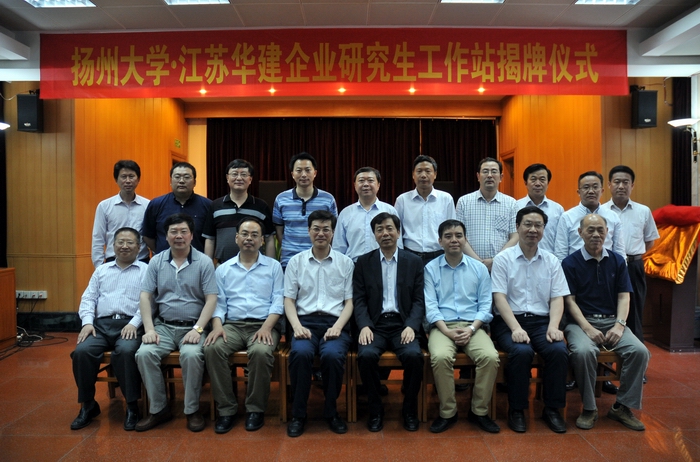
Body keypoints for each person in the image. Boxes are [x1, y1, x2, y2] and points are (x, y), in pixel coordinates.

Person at [562, 214, 650, 431]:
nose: (596, 234)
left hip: (612, 321)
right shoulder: (570, 263)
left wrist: (620, 325)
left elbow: (624, 297)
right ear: (580, 233)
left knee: (640, 351)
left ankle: (622, 407)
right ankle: (589, 408)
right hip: (580, 323)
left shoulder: (618, 261)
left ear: (607, 232)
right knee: (583, 352)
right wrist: (587, 328)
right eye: (590, 230)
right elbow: (569, 301)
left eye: (600, 229)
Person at [134, 213, 217, 432]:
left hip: (194, 326)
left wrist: (198, 329)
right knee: (144, 354)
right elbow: (145, 296)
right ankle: (159, 409)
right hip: (164, 326)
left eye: (183, 232)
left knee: (191, 355)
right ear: (166, 235)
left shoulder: (204, 262)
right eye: (173, 232)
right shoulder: (156, 261)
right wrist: (149, 329)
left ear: (191, 235)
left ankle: (192, 410)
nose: (178, 236)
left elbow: (211, 299)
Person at [490, 206, 569, 434]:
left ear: (543, 229)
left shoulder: (552, 261)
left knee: (558, 350)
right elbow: (499, 297)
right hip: (509, 322)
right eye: (528, 224)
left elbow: (557, 297)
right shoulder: (503, 259)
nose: (533, 229)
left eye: (538, 225)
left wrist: (554, 326)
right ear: (517, 227)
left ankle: (552, 409)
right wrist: (515, 328)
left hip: (542, 321)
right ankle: (517, 409)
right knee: (521, 351)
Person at [203, 216, 284, 434]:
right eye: (245, 234)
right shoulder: (223, 269)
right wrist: (217, 326)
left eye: (254, 235)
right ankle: (226, 409)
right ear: (236, 238)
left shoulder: (274, 267)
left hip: (264, 324)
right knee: (212, 348)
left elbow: (278, 301)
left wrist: (267, 328)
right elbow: (218, 303)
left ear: (262, 240)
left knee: (260, 351)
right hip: (232, 325)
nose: (249, 238)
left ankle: (255, 409)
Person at [424, 219, 500, 434]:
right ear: (440, 241)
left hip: (472, 325)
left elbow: (485, 305)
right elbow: (430, 306)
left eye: (458, 235)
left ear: (466, 239)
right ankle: (448, 412)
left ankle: (479, 412)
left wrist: (472, 329)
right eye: (448, 236)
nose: (454, 240)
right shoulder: (430, 268)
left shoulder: (479, 269)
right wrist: (446, 331)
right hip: (442, 326)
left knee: (490, 357)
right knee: (440, 357)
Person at [284, 210, 354, 437]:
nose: (321, 233)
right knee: (300, 354)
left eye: (326, 229)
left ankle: (331, 412)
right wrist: (296, 326)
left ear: (333, 233)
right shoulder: (296, 262)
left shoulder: (345, 263)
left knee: (332, 356)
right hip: (304, 322)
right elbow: (289, 300)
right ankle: (299, 414)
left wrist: (338, 327)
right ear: (309, 231)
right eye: (316, 229)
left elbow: (350, 302)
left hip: (335, 322)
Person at [71, 227, 148, 431]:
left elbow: (149, 302)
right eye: (120, 242)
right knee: (82, 352)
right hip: (101, 325)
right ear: (112, 246)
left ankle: (132, 406)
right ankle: (88, 405)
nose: (124, 246)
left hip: (131, 324)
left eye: (130, 242)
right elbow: (88, 298)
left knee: (126, 351)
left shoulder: (146, 270)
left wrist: (134, 323)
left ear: (139, 247)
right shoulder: (102, 270)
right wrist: (87, 322)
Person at [353, 212, 424, 432]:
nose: (385, 233)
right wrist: (364, 325)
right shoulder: (364, 262)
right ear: (374, 235)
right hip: (375, 325)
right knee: (366, 355)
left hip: (403, 324)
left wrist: (411, 325)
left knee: (414, 356)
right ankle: (376, 410)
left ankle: (409, 410)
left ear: (398, 232)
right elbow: (359, 299)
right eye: (380, 229)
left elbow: (419, 300)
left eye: (389, 228)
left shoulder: (414, 262)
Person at [601, 166, 659, 354]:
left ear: (632, 185)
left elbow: (650, 241)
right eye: (616, 182)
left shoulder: (643, 211)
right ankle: (606, 359)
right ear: (609, 185)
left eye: (625, 182)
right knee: (607, 312)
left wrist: (633, 257)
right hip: (606, 266)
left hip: (633, 266)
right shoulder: (600, 211)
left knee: (634, 313)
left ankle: (635, 358)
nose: (621, 186)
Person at [203, 159, 276, 265]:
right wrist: (208, 267)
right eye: (234, 174)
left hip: (255, 267)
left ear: (250, 179)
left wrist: (270, 265)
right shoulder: (216, 205)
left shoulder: (261, 206)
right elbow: (210, 239)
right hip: (223, 266)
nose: (239, 178)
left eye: (244, 174)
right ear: (227, 178)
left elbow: (269, 239)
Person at [273, 152, 337, 269]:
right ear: (292, 174)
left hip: (320, 260)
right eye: (299, 170)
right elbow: (279, 232)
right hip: (289, 261)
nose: (303, 174)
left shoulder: (328, 199)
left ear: (315, 173)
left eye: (308, 170)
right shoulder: (281, 199)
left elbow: (333, 230)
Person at [456, 157, 518, 271]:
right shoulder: (464, 202)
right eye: (485, 171)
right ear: (478, 176)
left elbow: (515, 237)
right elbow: (459, 236)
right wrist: (478, 262)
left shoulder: (511, 203)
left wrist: (496, 260)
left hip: (502, 267)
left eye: (494, 171)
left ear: (501, 177)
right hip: (470, 266)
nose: (489, 175)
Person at [394, 155, 456, 265]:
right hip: (409, 256)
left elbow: (451, 229)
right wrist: (400, 255)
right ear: (413, 175)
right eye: (419, 171)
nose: (423, 175)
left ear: (435, 174)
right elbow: (396, 230)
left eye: (428, 171)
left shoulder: (446, 199)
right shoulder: (402, 200)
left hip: (438, 256)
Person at [141, 162, 212, 255]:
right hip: (164, 261)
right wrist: (162, 253)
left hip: (197, 261)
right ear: (170, 181)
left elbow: (211, 237)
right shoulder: (156, 204)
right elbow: (147, 236)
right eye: (177, 177)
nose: (181, 181)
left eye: (186, 177)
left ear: (194, 182)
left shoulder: (208, 205)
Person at [334, 167, 402, 262]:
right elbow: (338, 247)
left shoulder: (390, 210)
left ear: (378, 185)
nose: (366, 184)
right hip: (354, 265)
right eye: (361, 181)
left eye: (370, 180)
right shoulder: (345, 213)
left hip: (384, 264)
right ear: (354, 185)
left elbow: (398, 243)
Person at [554, 171, 625, 262]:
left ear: (602, 191)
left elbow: (619, 250)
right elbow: (561, 252)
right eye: (586, 187)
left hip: (606, 266)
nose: (591, 191)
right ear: (579, 192)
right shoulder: (567, 217)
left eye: (595, 187)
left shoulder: (613, 216)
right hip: (576, 267)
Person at [91, 160, 150, 267]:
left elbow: (152, 237)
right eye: (123, 176)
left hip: (141, 261)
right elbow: (98, 238)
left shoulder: (148, 205)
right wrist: (100, 267)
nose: (128, 181)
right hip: (113, 261)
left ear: (138, 179)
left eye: (131, 176)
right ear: (116, 180)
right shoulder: (104, 206)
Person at [515, 163, 564, 253]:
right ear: (525, 182)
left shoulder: (557, 209)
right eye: (533, 179)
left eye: (542, 179)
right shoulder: (515, 206)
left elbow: (561, 240)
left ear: (548, 183)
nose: (538, 184)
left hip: (549, 259)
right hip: (520, 258)